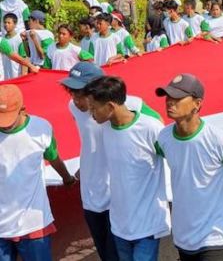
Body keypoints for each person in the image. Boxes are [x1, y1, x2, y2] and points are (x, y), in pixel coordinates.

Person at [59, 62, 161, 261]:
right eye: (72, 93)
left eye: (80, 93)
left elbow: (157, 129)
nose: (76, 100)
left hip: (117, 196)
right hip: (91, 194)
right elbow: (89, 141)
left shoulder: (130, 104)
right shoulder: (73, 107)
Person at [154, 74, 223, 261]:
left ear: (197, 104)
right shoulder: (163, 139)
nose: (169, 102)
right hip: (184, 233)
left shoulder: (221, 140)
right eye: (168, 97)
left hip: (215, 233)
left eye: (177, 98)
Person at [84, 76, 171, 261]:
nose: (91, 113)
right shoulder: (105, 129)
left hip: (147, 225)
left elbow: (176, 161)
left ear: (110, 106)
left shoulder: (150, 128)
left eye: (93, 108)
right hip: (120, 226)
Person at [0, 84, 76, 261]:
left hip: (33, 223)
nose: (4, 125)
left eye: (8, 119)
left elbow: (53, 157)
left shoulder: (41, 128)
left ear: (23, 110)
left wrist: (67, 178)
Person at [1, 13, 35, 79]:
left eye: (9, 23)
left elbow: (24, 58)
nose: (6, 25)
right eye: (5, 22)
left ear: (15, 24)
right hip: (4, 76)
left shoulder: (19, 39)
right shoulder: (1, 39)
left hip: (16, 76)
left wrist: (23, 76)